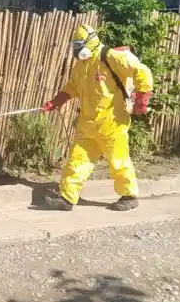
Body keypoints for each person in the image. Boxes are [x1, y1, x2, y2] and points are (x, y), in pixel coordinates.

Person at [42, 24, 153, 211]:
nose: (76, 50)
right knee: (77, 159)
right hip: (88, 123)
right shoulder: (81, 66)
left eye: (79, 45)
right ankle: (67, 197)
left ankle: (129, 195)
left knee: (118, 160)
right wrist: (55, 102)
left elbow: (142, 72)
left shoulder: (110, 57)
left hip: (113, 122)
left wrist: (141, 102)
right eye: (74, 46)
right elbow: (72, 87)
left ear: (90, 42)